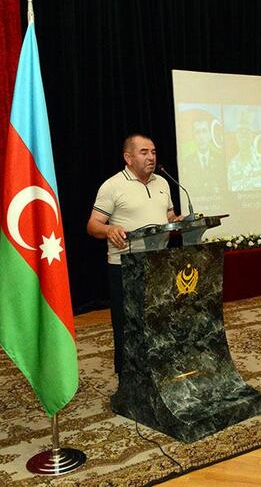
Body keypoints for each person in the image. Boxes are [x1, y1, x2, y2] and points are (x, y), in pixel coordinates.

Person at [87, 134, 181, 375]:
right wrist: (109, 229)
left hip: (159, 263)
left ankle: (159, 371)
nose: (151, 157)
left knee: (160, 320)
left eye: (153, 152)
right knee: (129, 326)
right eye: (144, 152)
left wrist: (180, 221)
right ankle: (128, 377)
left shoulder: (163, 182)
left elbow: (168, 217)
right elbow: (93, 225)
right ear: (128, 158)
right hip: (126, 266)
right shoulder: (112, 186)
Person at [178, 110, 226, 195]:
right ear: (194, 136)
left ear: (210, 135)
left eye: (204, 131)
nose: (201, 136)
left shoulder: (219, 160)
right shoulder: (187, 162)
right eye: (197, 132)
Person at [226, 109, 261, 192]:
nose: (244, 138)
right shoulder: (232, 167)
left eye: (246, 133)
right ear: (236, 137)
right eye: (240, 133)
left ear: (252, 135)